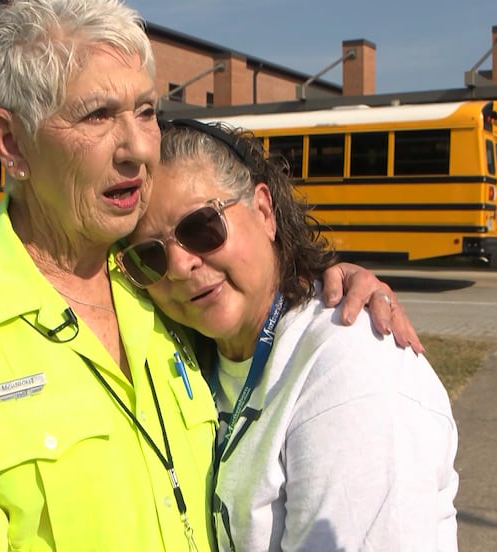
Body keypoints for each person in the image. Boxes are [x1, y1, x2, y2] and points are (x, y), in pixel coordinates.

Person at [0, 0, 419, 551]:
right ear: (13, 143)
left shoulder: (153, 283)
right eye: (97, 115)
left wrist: (320, 277)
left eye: (146, 112)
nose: (138, 149)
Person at [118, 119, 459, 551]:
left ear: (263, 211)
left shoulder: (351, 365)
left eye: (200, 227)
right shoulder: (184, 359)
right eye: (150, 256)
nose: (182, 265)